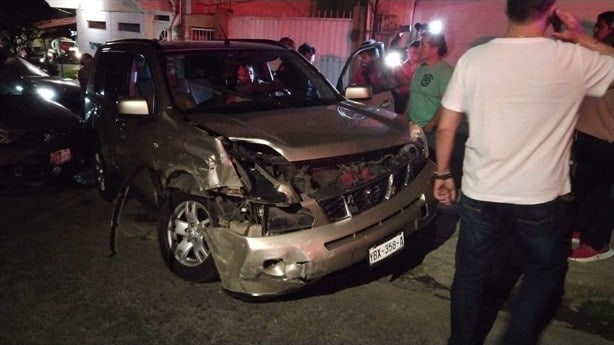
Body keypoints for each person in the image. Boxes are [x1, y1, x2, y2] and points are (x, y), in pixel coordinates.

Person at [432, 1, 614, 344]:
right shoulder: (572, 59)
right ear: (551, 10)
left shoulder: (475, 58)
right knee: (545, 271)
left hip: (481, 192)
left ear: (508, 8)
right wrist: (580, 38)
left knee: (472, 273)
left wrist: (442, 173)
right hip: (540, 198)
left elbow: (447, 124)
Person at [568, 10, 614, 262]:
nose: (596, 30)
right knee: (583, 188)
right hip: (588, 134)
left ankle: (597, 243)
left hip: (606, 138)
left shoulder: (609, 61)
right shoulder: (600, 57)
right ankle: (582, 228)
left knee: (599, 194)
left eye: (601, 27)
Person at [393, 40, 421, 114]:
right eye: (409, 52)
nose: (411, 55)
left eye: (415, 53)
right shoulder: (403, 65)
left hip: (411, 101)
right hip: (396, 99)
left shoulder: (422, 68)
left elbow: (413, 86)